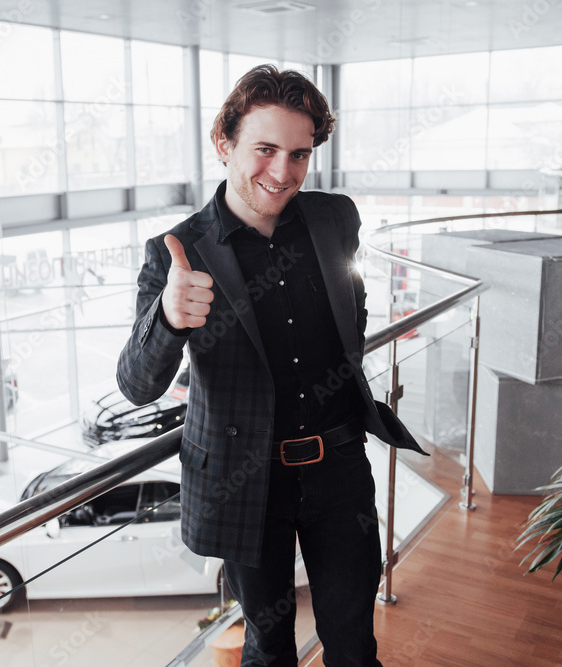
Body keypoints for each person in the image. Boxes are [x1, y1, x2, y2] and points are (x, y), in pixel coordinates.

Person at [116, 65, 426, 666]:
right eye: (265, 149)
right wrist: (170, 318)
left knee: (355, 647)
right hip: (245, 481)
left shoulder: (335, 218)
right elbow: (136, 385)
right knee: (268, 647)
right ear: (224, 143)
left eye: (299, 154)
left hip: (339, 467)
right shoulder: (177, 253)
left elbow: (352, 311)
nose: (283, 173)